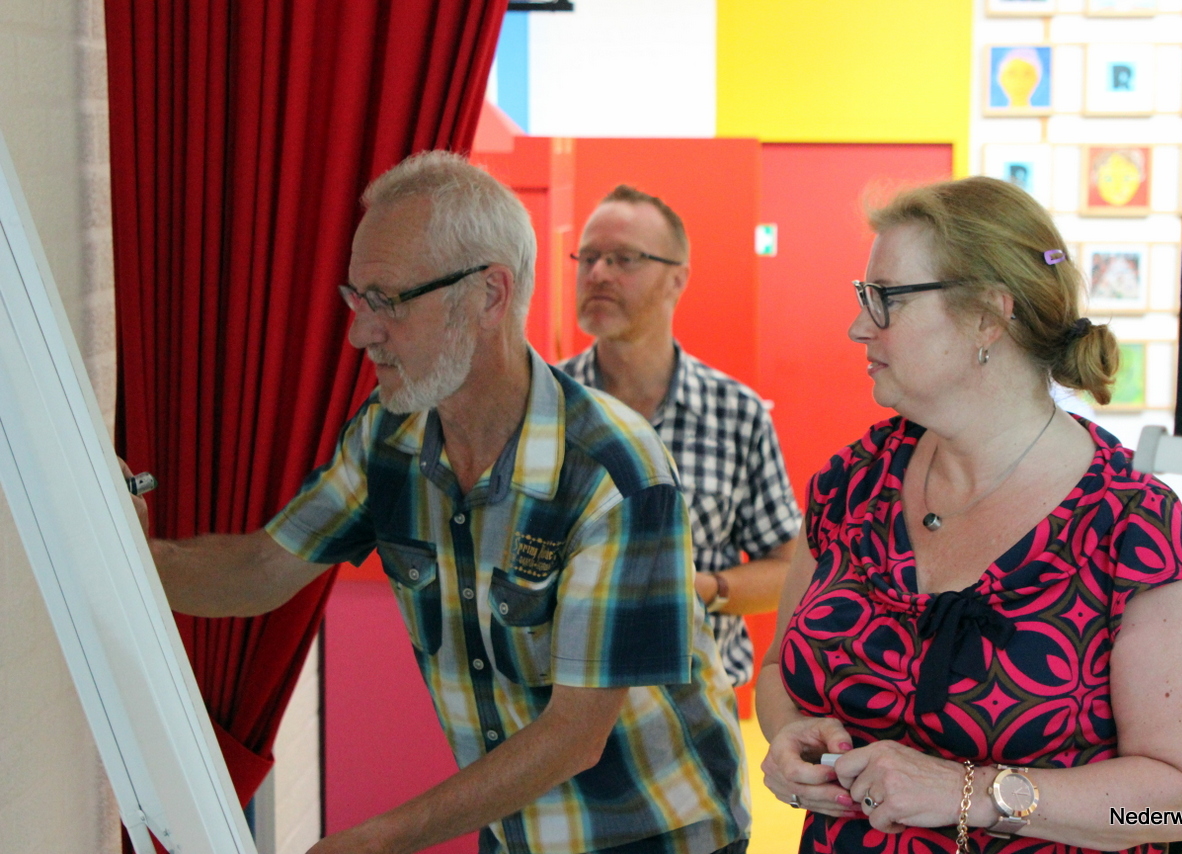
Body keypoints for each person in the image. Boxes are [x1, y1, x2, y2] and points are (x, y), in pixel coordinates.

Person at [128, 152, 750, 854]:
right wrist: (126, 553)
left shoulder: (614, 471)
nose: (361, 332)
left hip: (657, 835)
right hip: (519, 835)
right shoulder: (388, 436)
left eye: (388, 300)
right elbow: (262, 569)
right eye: (357, 300)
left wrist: (376, 841)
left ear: (489, 295)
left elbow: (573, 737)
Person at [756, 176, 1182, 853]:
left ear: (987, 315)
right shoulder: (851, 485)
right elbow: (777, 672)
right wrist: (787, 736)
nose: (859, 326)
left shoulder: (1129, 525)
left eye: (886, 298)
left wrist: (970, 794)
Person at [560, 185, 802, 688]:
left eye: (623, 259)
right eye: (589, 257)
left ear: (677, 279)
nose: (598, 274)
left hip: (696, 702)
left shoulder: (735, 414)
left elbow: (788, 569)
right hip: (565, 698)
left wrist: (702, 588)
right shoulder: (545, 407)